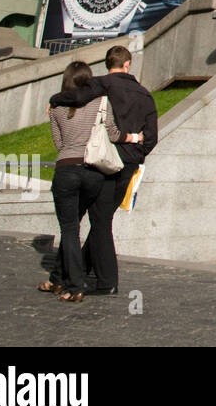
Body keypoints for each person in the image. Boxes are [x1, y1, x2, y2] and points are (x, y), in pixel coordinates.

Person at [48, 45, 158, 295]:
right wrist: (135, 154)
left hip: (103, 162)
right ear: (128, 64)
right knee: (97, 219)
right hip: (128, 162)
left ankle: (103, 281)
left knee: (93, 220)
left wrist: (54, 100)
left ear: (108, 63)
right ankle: (67, 275)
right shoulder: (145, 95)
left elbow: (75, 99)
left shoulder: (102, 85)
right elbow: (151, 138)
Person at [40, 61, 120, 303]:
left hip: (67, 170)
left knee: (69, 229)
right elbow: (113, 134)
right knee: (73, 226)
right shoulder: (101, 103)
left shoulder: (54, 108)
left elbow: (58, 144)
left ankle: (75, 285)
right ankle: (59, 278)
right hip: (94, 173)